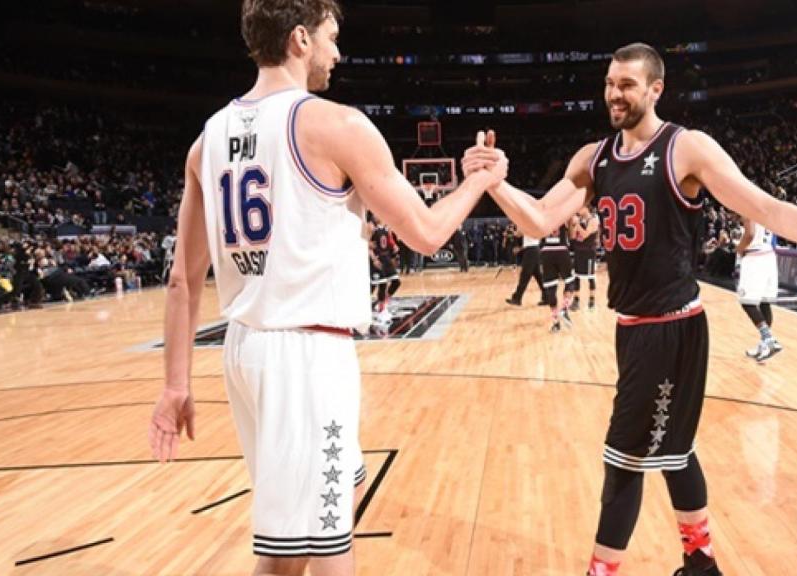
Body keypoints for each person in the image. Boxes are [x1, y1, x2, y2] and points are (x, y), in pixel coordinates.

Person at [464, 42, 797, 576]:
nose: (615, 93)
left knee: (623, 460)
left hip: (673, 328)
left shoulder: (686, 148)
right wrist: (493, 183)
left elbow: (762, 205)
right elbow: (540, 219)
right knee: (674, 451)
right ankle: (701, 563)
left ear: (655, 89)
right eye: (610, 83)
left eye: (627, 85)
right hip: (631, 329)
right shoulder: (593, 158)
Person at [146, 3, 507, 576]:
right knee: (318, 551)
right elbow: (429, 231)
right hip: (307, 355)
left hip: (245, 351)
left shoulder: (206, 140)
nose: (337, 53)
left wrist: (175, 385)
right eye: (331, 39)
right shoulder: (336, 126)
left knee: (311, 523)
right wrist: (478, 183)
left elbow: (182, 280)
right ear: (299, 39)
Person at [735, 215, 782, 362]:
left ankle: (769, 339)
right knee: (763, 302)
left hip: (755, 257)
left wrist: (739, 249)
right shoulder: (764, 208)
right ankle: (765, 346)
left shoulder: (747, 207)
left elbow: (749, 234)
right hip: (769, 255)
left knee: (747, 302)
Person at [539, 220, 577, 332]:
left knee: (551, 288)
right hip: (561, 250)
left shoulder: (542, 214)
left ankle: (556, 324)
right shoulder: (564, 212)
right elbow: (572, 236)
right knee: (570, 282)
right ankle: (564, 308)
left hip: (546, 251)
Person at [570, 204, 600, 311]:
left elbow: (585, 234)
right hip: (578, 251)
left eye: (580, 207)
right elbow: (573, 236)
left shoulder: (593, 219)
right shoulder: (579, 219)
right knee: (576, 276)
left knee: (590, 276)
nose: (577, 209)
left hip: (589, 252)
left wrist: (577, 224)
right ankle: (576, 301)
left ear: (586, 208)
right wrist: (573, 226)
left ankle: (592, 302)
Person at [506, 229, 544, 306]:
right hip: (533, 250)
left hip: (531, 252)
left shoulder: (527, 225)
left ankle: (517, 298)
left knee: (525, 275)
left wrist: (513, 233)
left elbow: (519, 234)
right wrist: (520, 248)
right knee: (538, 276)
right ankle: (548, 297)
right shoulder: (533, 224)